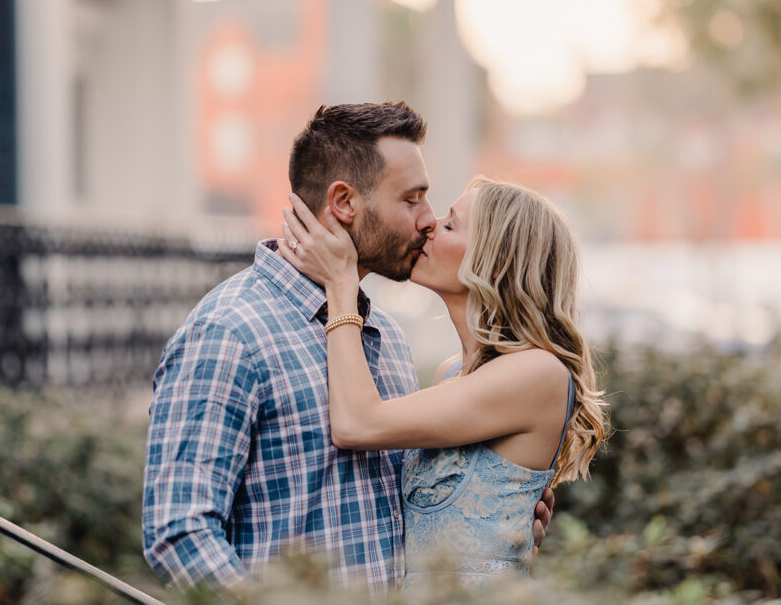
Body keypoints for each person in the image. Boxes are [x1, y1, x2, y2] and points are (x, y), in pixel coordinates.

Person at [141, 102, 553, 594]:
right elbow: (180, 533)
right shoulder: (231, 332)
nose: (427, 220)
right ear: (343, 203)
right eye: (411, 199)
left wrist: (495, 517)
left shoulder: (384, 338)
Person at [277, 176, 609, 589]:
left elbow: (357, 424)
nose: (429, 225)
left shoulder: (538, 373)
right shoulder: (450, 374)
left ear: (494, 263)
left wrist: (341, 286)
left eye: (450, 224)